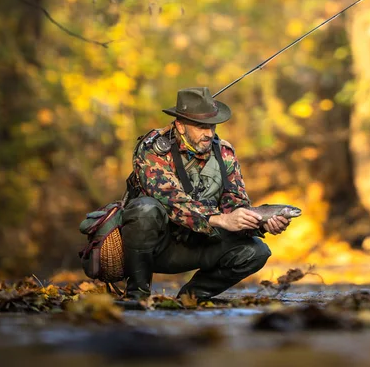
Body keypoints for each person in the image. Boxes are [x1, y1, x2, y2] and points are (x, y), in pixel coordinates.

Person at [121, 87, 290, 300]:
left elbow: (234, 203)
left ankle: (191, 298)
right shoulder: (154, 148)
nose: (209, 133)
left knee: (257, 252)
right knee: (144, 208)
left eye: (212, 126)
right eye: (201, 127)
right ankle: (137, 295)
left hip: (198, 245)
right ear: (181, 126)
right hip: (155, 247)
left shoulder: (224, 152)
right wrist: (220, 219)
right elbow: (171, 201)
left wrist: (260, 222)